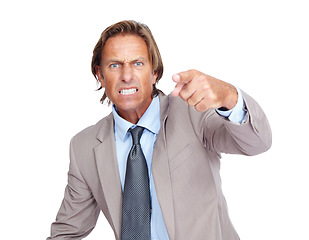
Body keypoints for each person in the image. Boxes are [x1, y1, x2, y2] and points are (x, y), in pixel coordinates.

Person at [47, 20, 272, 240]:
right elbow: (67, 232)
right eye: (114, 65)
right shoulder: (84, 146)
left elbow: (257, 142)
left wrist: (229, 97)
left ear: (154, 72)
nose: (126, 76)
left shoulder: (193, 112)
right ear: (100, 75)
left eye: (138, 63)